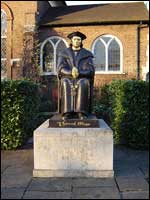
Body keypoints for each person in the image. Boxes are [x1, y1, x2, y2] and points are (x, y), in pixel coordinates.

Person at [57, 31, 95, 120]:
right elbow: (60, 68)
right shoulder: (64, 53)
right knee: (66, 82)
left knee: (83, 83)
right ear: (71, 41)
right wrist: (70, 72)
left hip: (82, 77)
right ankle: (67, 112)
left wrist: (80, 72)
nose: (77, 41)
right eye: (75, 39)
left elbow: (90, 70)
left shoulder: (87, 54)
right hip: (67, 76)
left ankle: (81, 112)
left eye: (79, 39)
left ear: (81, 41)